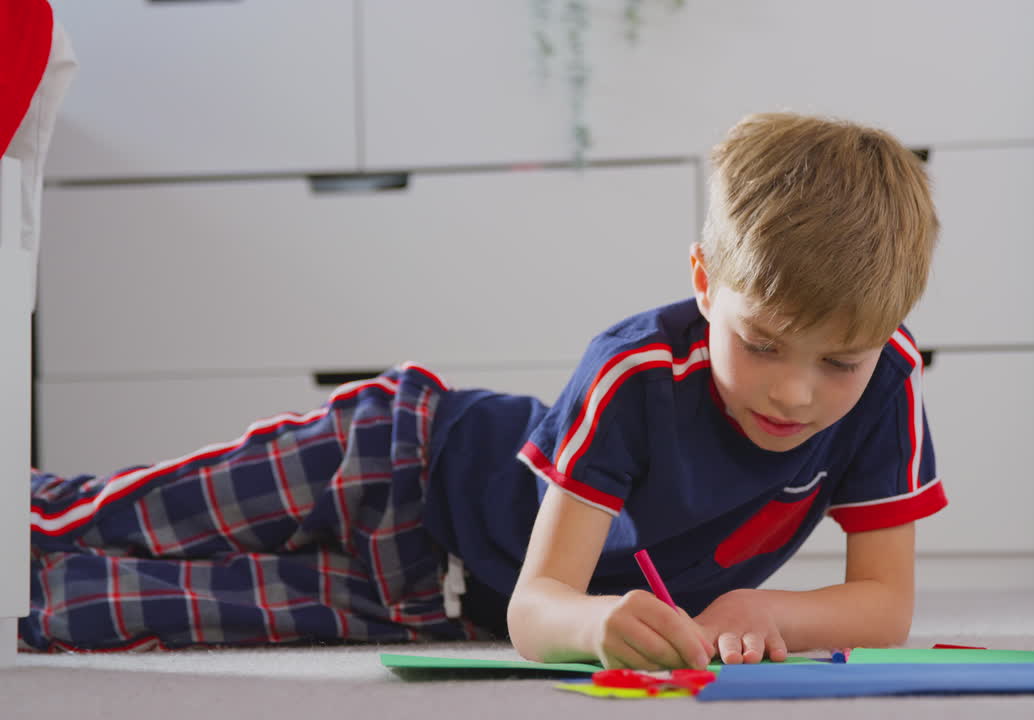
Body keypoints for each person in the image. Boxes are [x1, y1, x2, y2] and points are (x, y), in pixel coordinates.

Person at [22, 113, 945, 668]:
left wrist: (764, 608)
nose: (795, 393)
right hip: (391, 461)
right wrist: (596, 623)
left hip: (426, 605)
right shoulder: (634, 374)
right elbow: (542, 604)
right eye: (764, 344)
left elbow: (883, 607)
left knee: (75, 617)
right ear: (705, 284)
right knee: (85, 522)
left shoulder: (887, 383)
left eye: (840, 361)